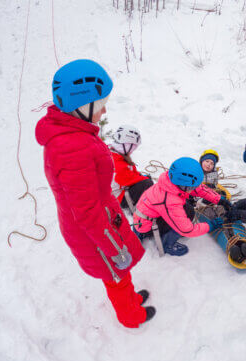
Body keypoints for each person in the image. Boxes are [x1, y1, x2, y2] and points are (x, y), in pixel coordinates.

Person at [36, 59, 155, 328]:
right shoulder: (70, 149)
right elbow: (87, 212)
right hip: (95, 233)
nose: (103, 112)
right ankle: (131, 317)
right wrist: (114, 248)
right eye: (99, 104)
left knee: (119, 274)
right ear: (80, 104)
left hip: (102, 223)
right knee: (116, 275)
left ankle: (131, 298)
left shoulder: (73, 133)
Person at [133, 157, 230, 256]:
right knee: (188, 213)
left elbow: (198, 189)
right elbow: (186, 230)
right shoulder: (170, 200)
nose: (194, 189)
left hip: (143, 219)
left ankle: (150, 233)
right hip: (147, 226)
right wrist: (210, 226)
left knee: (186, 209)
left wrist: (219, 199)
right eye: (192, 187)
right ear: (184, 185)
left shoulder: (171, 181)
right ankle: (166, 244)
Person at [108, 125, 153, 212]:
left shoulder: (112, 152)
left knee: (145, 180)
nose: (132, 151)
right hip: (117, 198)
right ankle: (142, 210)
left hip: (113, 191)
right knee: (147, 183)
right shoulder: (119, 165)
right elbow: (133, 178)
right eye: (133, 147)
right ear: (127, 145)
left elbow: (132, 174)